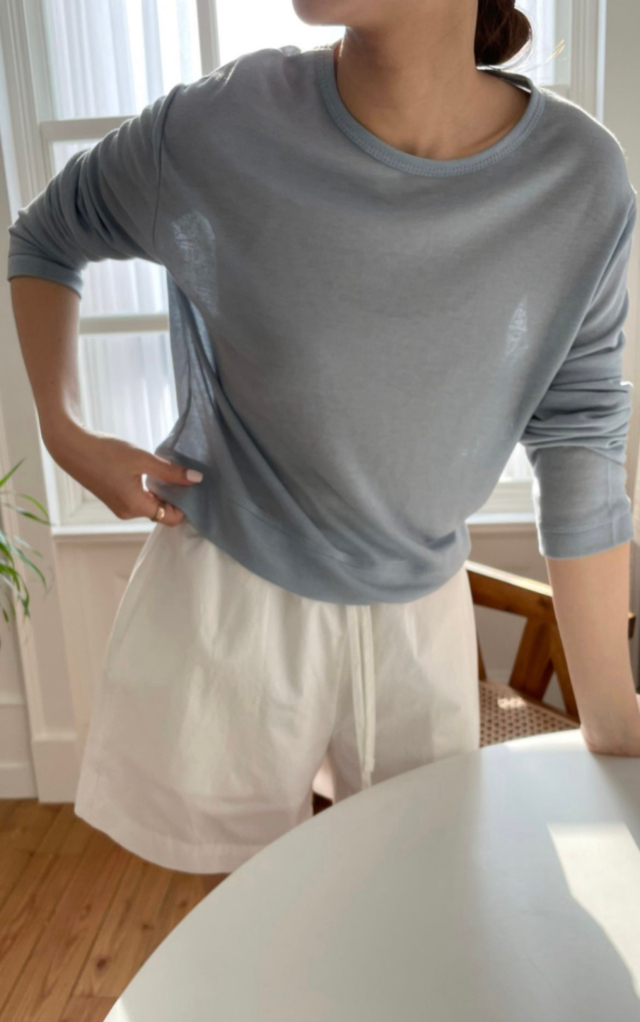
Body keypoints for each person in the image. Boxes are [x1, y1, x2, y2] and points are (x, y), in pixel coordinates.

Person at [7, 0, 638, 877]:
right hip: (228, 601)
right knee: (246, 921)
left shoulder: (577, 181)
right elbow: (45, 238)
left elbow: (579, 437)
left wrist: (611, 716)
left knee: (421, 903)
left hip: (422, 618)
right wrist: (65, 430)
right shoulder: (221, 125)